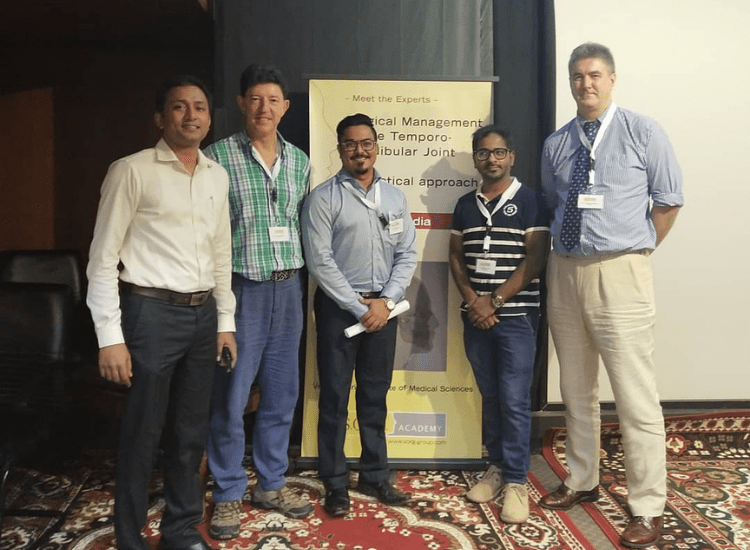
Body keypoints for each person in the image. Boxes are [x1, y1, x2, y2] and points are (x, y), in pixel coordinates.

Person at [538, 43, 683, 548]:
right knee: (576, 388)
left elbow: (668, 201)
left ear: (612, 79)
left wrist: (633, 250)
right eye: (578, 76)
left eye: (595, 75)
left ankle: (647, 506)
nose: (586, 84)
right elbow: (554, 203)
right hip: (565, 272)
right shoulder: (557, 143)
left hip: (621, 271)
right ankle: (583, 479)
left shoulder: (643, 132)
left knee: (634, 396)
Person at [86, 75, 237, 550]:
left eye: (200, 107)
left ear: (209, 119)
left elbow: (221, 253)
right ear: (160, 117)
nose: (191, 115)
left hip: (203, 316)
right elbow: (102, 259)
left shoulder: (217, 175)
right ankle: (129, 538)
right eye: (179, 106)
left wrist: (225, 322)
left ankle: (180, 532)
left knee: (190, 433)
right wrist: (110, 337)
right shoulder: (131, 171)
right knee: (143, 434)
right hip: (149, 315)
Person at [204, 64, 312, 540]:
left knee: (282, 393)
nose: (263, 108)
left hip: (288, 290)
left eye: (272, 100)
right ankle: (228, 491)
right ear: (241, 103)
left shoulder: (300, 161)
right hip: (240, 289)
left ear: (285, 107)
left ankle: (270, 483)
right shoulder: (216, 158)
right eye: (255, 99)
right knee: (231, 398)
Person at [301, 113, 417, 518]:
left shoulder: (395, 197)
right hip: (339, 311)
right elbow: (320, 261)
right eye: (350, 144)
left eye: (366, 142)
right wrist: (358, 307)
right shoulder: (323, 198)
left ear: (376, 146)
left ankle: (374, 475)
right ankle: (335, 483)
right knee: (334, 397)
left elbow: (407, 254)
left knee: (374, 395)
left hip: (384, 311)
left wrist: (386, 302)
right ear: (339, 150)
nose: (359, 150)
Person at [448, 125, 549, 523]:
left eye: (499, 152)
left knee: (514, 399)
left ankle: (517, 481)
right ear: (475, 157)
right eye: (483, 153)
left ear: (511, 156)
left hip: (517, 316)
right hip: (476, 317)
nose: (491, 159)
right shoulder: (464, 205)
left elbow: (535, 259)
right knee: (490, 395)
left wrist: (495, 301)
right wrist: (474, 301)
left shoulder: (531, 200)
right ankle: (495, 467)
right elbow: (456, 256)